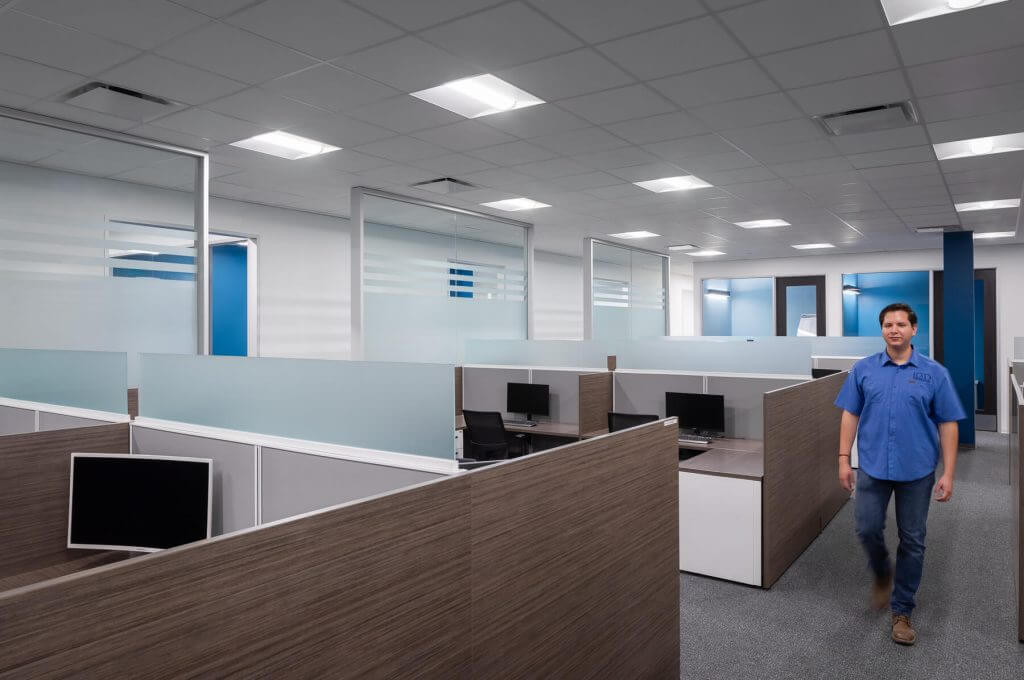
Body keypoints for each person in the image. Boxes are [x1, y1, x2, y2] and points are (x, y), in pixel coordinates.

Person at [834, 302, 965, 646]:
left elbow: (948, 424)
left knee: (913, 541)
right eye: (888, 324)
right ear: (882, 330)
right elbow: (850, 414)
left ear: (913, 329)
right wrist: (843, 458)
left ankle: (902, 610)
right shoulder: (863, 370)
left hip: (917, 470)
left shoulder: (935, 373)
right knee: (865, 528)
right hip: (873, 467)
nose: (894, 329)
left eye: (901, 324)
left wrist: (949, 472)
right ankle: (882, 573)